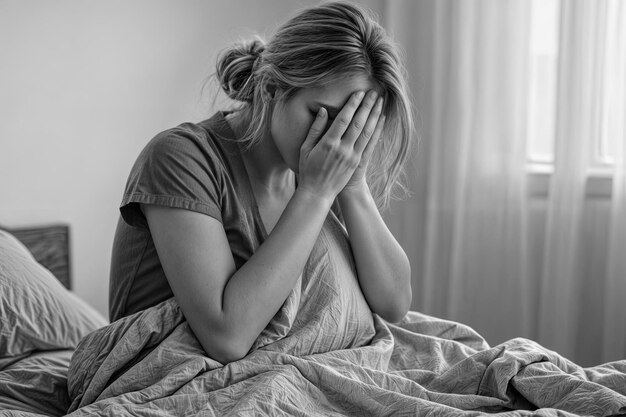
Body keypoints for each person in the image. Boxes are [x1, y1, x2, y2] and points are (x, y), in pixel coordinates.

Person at [108, 0, 414, 365]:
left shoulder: (319, 168)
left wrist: (354, 184)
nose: (338, 142)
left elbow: (394, 304)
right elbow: (227, 337)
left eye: (354, 126)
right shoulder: (179, 157)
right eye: (326, 116)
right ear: (270, 88)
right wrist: (315, 193)